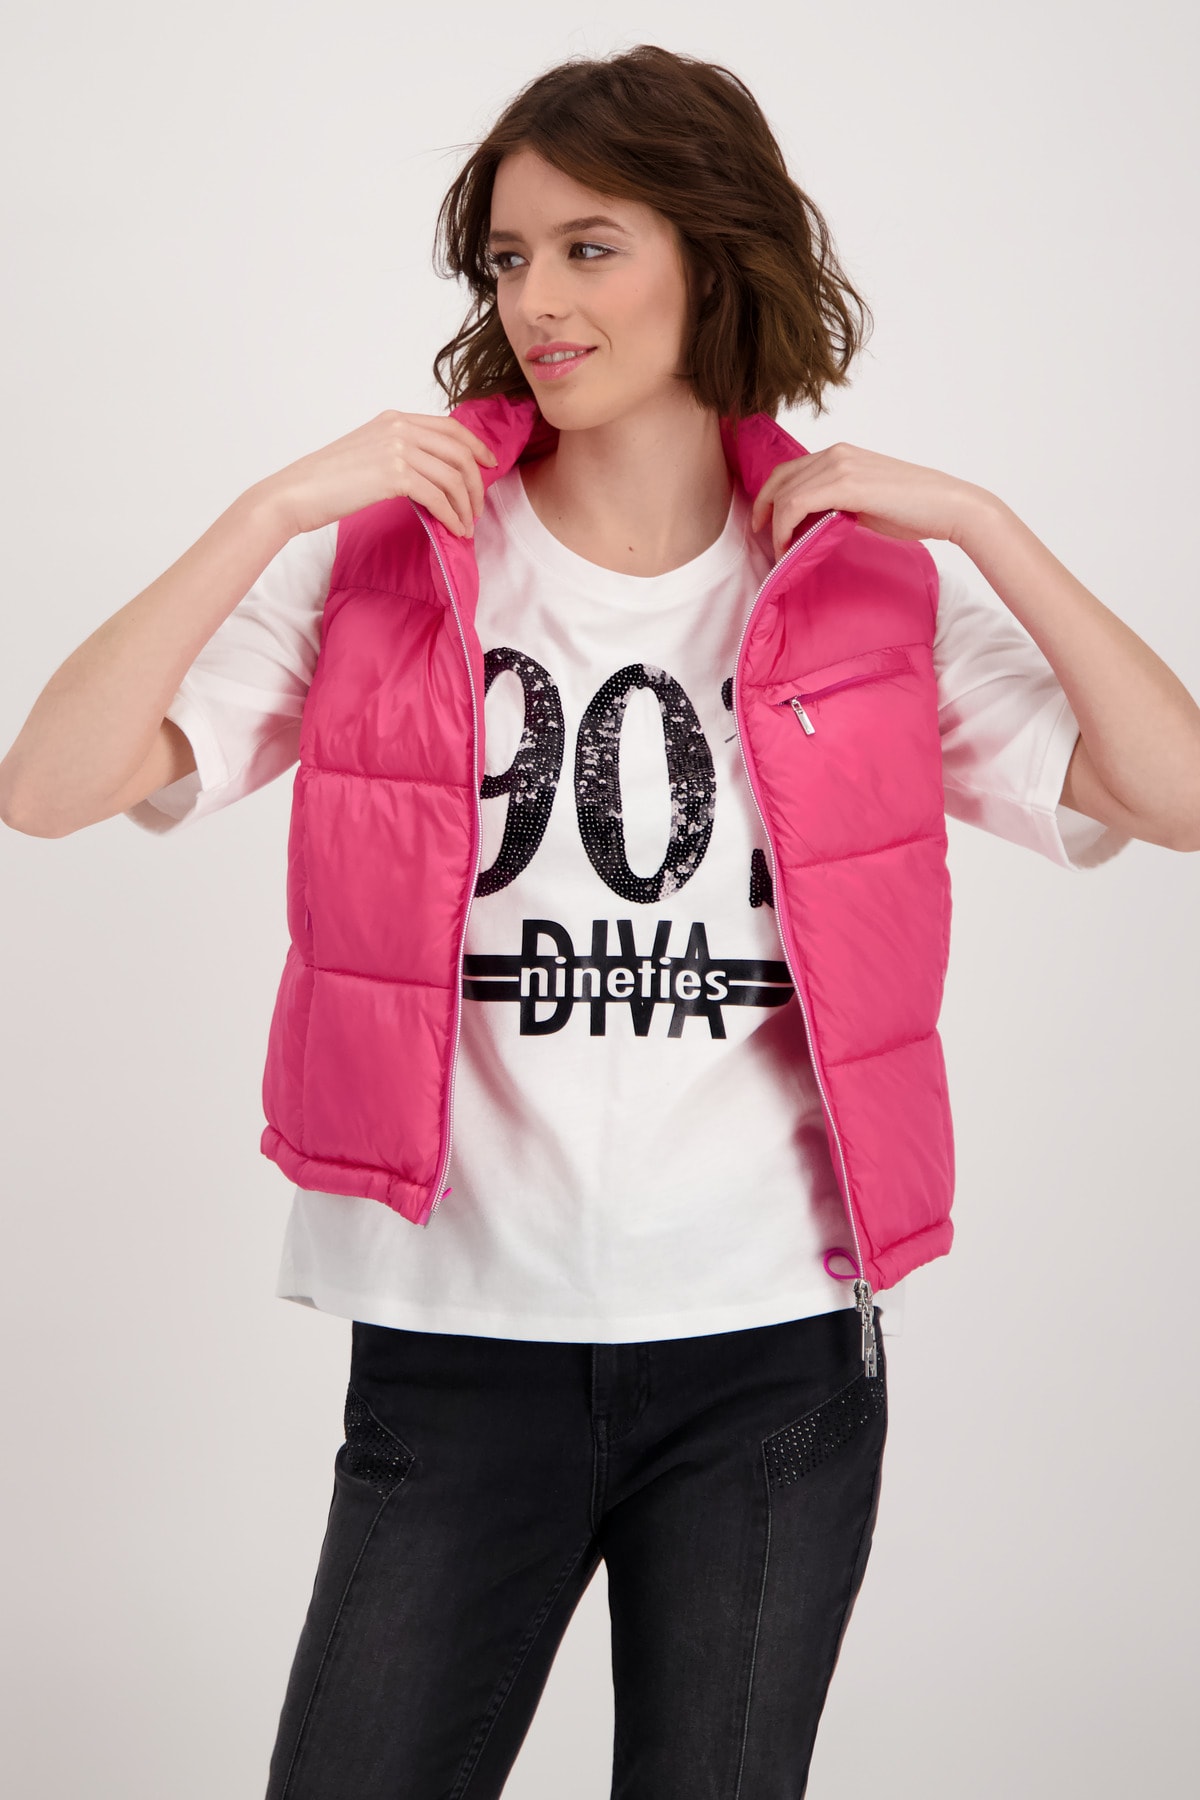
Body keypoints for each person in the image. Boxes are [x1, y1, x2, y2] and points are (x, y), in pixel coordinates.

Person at [3, 40, 1198, 1800]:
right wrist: (271, 509)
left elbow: (1177, 791)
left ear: (712, 258)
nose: (537, 301)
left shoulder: (862, 585)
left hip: (768, 1359)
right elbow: (46, 785)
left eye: (590, 247)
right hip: (457, 1345)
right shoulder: (395, 563)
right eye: (508, 257)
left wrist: (984, 525)